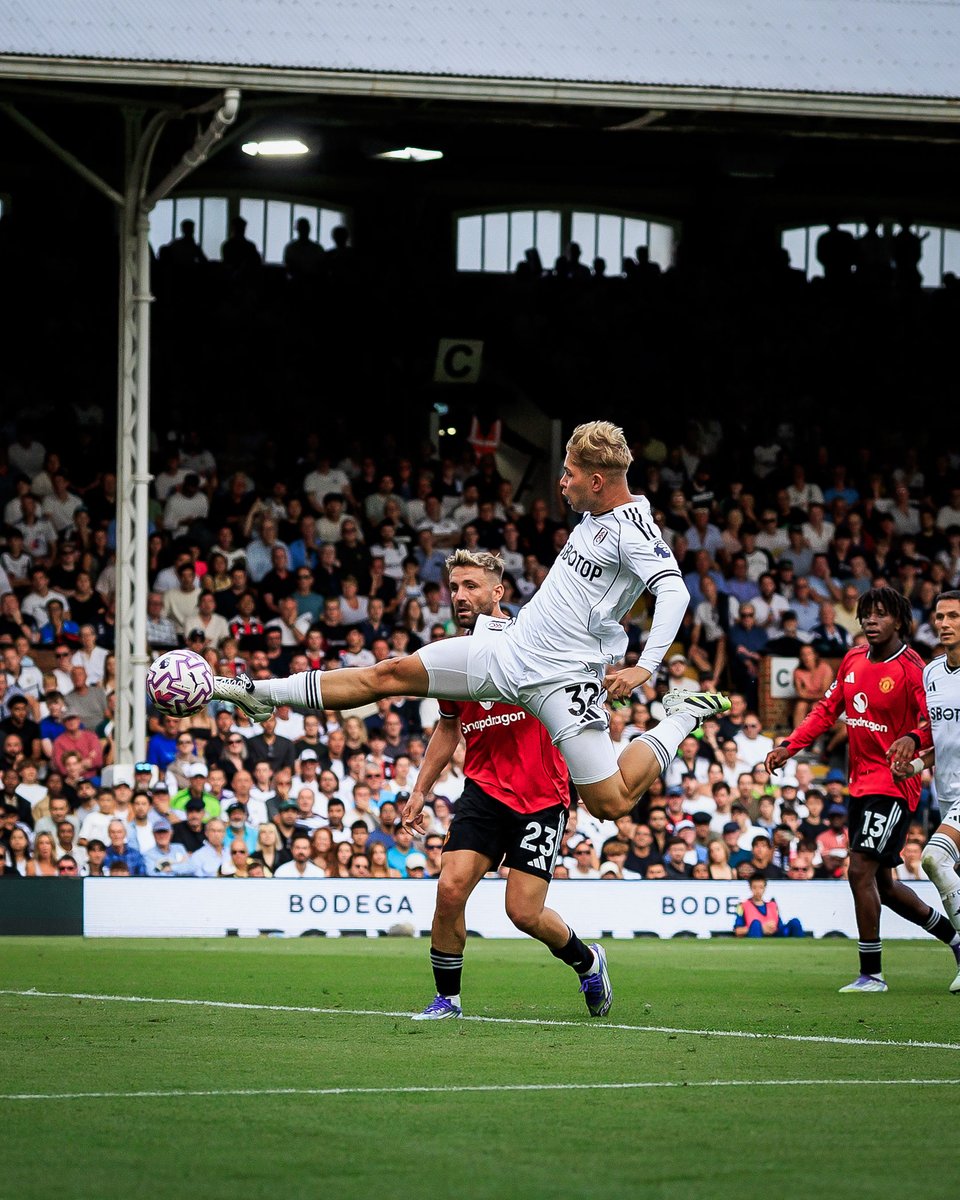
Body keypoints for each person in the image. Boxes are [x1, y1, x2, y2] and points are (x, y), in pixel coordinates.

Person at [214, 422, 730, 826]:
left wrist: (645, 668)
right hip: (507, 653)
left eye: (569, 473)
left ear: (597, 481)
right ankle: (262, 692)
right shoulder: (593, 515)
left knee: (610, 802)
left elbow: (675, 590)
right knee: (388, 674)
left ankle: (682, 715)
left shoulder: (633, 530)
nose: (562, 481)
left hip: (564, 681)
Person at [398, 549, 612, 1020]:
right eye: (454, 587)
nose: (459, 596)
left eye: (471, 586)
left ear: (498, 592)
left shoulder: (533, 641)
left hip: (541, 796)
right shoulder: (455, 659)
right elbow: (448, 727)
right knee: (450, 889)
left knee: (523, 912)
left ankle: (587, 960)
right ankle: (447, 1000)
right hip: (483, 790)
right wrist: (420, 790)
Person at [765, 587, 960, 992]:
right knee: (884, 886)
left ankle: (871, 973)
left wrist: (909, 736)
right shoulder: (852, 659)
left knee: (858, 870)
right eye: (866, 614)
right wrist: (790, 745)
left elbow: (931, 725)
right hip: (859, 784)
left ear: (900, 622)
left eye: (881, 614)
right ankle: (956, 940)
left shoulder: (913, 669)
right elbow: (825, 710)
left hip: (893, 784)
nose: (871, 621)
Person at [890, 590, 960, 993]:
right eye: (939, 616)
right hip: (948, 795)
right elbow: (940, 740)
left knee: (933, 858)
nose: (944, 623)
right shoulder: (931, 673)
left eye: (953, 616)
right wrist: (913, 766)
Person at [733, 876, 805, 937]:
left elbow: (780, 927)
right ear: (750, 888)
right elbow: (738, 931)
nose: (758, 891)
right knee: (756, 924)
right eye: (755, 887)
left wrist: (773, 928)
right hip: (756, 936)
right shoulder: (742, 906)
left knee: (795, 922)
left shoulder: (772, 905)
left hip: (775, 935)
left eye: (761, 887)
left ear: (765, 888)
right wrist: (761, 928)